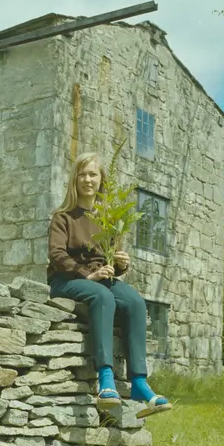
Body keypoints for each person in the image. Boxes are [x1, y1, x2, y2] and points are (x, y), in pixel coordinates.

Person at [46, 153, 172, 417]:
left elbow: (108, 260)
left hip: (100, 280)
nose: (87, 180)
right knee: (103, 297)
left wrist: (120, 263)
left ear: (101, 179)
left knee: (135, 301)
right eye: (82, 174)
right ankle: (105, 380)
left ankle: (139, 383)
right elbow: (57, 255)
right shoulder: (63, 217)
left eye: (92, 174)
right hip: (66, 280)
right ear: (74, 180)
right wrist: (86, 275)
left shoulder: (108, 219)